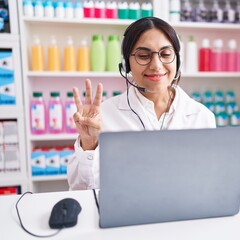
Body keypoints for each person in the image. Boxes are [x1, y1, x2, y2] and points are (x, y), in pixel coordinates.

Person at [67, 17, 216, 190]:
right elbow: (80, 189)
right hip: (124, 213)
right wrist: (89, 143)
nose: (156, 65)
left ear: (177, 60)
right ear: (126, 64)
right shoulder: (103, 116)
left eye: (166, 54)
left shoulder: (201, 116)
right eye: (143, 56)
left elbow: (207, 183)